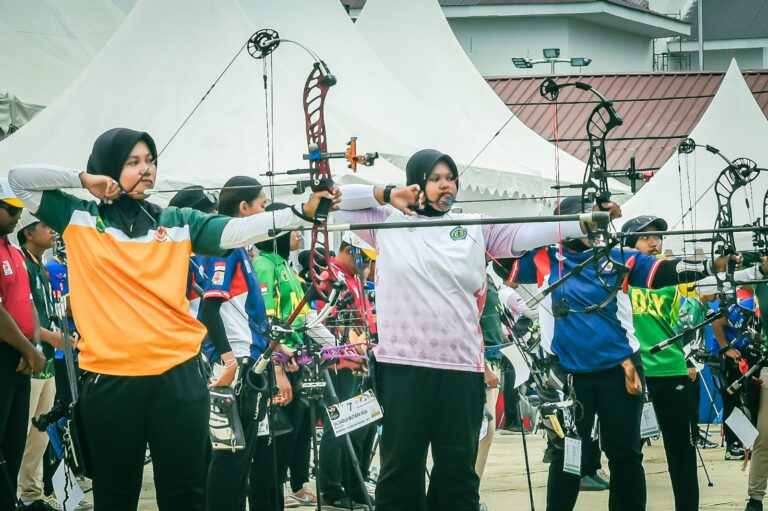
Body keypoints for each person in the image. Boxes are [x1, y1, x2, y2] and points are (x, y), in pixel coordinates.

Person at [7, 128, 339, 510]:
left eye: (150, 161)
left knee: (185, 496)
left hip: (178, 381)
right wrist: (83, 180)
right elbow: (19, 178)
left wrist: (299, 213)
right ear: (108, 168)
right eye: (133, 162)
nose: (146, 170)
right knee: (115, 497)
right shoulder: (78, 216)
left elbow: (233, 229)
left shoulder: (177, 220)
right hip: (111, 382)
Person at [333, 149, 602, 511]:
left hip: (460, 371)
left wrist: (583, 222)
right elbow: (330, 199)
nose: (446, 186)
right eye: (436, 179)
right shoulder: (385, 221)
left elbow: (527, 230)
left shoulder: (475, 225)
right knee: (400, 469)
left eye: (450, 178)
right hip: (402, 369)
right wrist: (388, 193)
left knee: (458, 474)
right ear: (417, 183)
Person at [495, 196, 734, 511]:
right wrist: (547, 233)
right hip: (568, 377)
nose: (595, 226)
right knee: (568, 456)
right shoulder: (545, 258)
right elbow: (499, 258)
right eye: (586, 220)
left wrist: (711, 265)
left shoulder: (619, 257)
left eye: (597, 219)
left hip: (620, 371)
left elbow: (665, 270)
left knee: (624, 454)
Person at [197, 176, 286, 511]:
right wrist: (229, 360)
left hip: (250, 362)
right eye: (262, 206)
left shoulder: (242, 250)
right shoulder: (226, 247)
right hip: (235, 369)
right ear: (244, 207)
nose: (265, 212)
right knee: (230, 458)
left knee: (242, 457)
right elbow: (208, 309)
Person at [621, 215, 701, 511]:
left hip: (671, 371)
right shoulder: (618, 279)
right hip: (632, 374)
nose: (654, 243)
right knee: (628, 453)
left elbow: (691, 323)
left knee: (681, 450)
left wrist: (690, 358)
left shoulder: (670, 279)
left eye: (658, 238)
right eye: (646, 237)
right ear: (628, 245)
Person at [316, 233, 378, 509]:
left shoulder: (353, 278)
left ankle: (354, 484)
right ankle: (330, 490)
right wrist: (343, 350)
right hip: (338, 363)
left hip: (358, 361)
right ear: (351, 250)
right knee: (338, 427)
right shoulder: (331, 277)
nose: (365, 266)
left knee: (361, 426)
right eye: (363, 259)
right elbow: (319, 320)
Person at [0, 179, 46, 510]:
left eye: (20, 209)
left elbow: (27, 301)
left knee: (16, 440)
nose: (18, 216)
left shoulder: (14, 252)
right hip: (5, 355)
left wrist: (35, 344)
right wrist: (29, 349)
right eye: (11, 210)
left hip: (21, 355)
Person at [16, 214, 62, 511]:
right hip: (28, 359)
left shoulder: (41, 267)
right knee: (19, 432)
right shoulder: (20, 264)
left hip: (48, 362)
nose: (53, 231)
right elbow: (20, 314)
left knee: (40, 433)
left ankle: (31, 495)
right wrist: (50, 337)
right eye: (46, 226)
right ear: (28, 233)